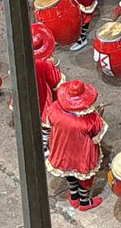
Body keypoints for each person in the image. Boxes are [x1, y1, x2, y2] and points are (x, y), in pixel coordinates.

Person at [44, 79, 107, 210]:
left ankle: (74, 196)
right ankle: (84, 202)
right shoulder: (91, 119)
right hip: (82, 154)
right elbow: (96, 137)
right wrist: (99, 115)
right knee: (85, 178)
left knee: (68, 172)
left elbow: (47, 124)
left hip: (61, 149)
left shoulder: (54, 108)